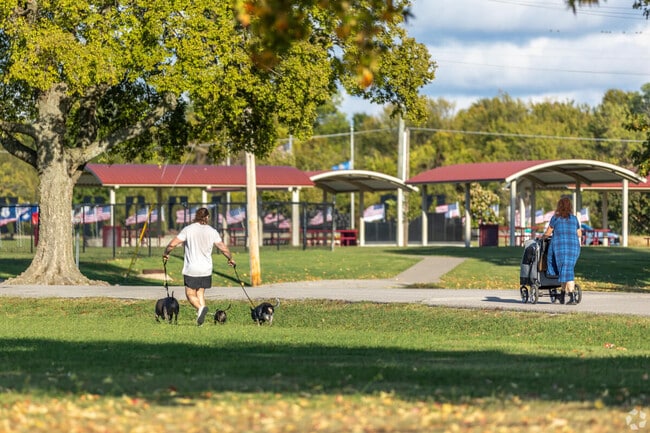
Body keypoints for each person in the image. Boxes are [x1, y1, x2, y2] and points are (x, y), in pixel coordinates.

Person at [162, 207, 235, 325]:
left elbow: (172, 244)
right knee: (200, 293)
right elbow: (222, 247)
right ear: (207, 217)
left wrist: (166, 253)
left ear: (196, 216)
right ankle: (201, 320)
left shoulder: (188, 230)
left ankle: (200, 309)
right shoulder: (212, 231)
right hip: (206, 269)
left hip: (192, 269)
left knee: (190, 294)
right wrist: (230, 258)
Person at [542, 197, 581, 305]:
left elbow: (548, 233)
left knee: (566, 269)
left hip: (560, 247)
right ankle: (562, 295)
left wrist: (542, 238)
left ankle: (572, 296)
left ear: (559, 206)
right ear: (570, 207)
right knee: (566, 269)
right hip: (574, 247)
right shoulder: (574, 219)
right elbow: (579, 234)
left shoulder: (555, 218)